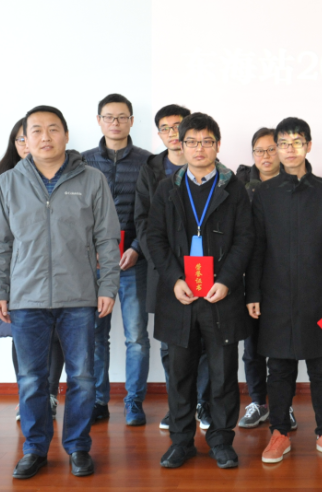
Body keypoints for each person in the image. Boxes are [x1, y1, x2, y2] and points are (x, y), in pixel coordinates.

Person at [0, 105, 120, 479]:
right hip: (26, 297)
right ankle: (35, 449)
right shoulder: (9, 182)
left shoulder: (91, 179)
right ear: (25, 139)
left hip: (79, 296)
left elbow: (107, 239)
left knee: (82, 378)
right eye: (36, 130)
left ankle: (78, 447)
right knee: (32, 379)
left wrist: (108, 286)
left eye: (53, 129)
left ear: (66, 134)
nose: (45, 137)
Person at [146, 112, 253, 469]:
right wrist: (174, 279)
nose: (199, 148)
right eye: (191, 141)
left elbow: (245, 240)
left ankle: (221, 440)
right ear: (181, 144)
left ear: (217, 145)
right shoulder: (167, 188)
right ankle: (181, 442)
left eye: (207, 141)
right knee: (179, 374)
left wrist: (226, 281)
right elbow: (155, 238)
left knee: (223, 374)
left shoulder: (233, 188)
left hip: (220, 296)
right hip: (179, 295)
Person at [247, 117, 322, 463]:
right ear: (276, 148)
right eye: (283, 143)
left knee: (321, 367)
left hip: (317, 293)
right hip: (274, 293)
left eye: (297, 142)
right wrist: (253, 293)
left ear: (308, 145)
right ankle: (279, 433)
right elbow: (257, 248)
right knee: (278, 367)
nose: (289, 149)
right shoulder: (263, 193)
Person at [136, 104, 214, 431]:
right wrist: (165, 265)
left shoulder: (215, 170)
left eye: (177, 126)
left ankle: (203, 404)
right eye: (165, 128)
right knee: (171, 345)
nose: (172, 133)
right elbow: (144, 223)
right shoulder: (151, 170)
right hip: (167, 273)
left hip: (207, 272)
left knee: (206, 344)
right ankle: (178, 405)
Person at [0, 119, 65, 422]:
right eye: (21, 139)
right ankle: (27, 396)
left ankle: (49, 395)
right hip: (18, 273)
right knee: (21, 337)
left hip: (59, 274)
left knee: (55, 336)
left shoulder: (65, 178)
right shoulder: (1, 182)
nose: (27, 143)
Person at [83, 93, 153, 426]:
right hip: (93, 264)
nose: (115, 122)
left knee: (136, 337)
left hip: (133, 263)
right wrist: (91, 249)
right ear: (99, 121)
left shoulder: (148, 162)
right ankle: (99, 400)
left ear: (131, 121)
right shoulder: (81, 161)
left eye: (122, 117)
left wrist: (137, 247)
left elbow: (153, 214)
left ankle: (134, 402)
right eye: (109, 117)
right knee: (96, 336)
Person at [234, 127, 291, 429]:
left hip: (285, 278)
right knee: (252, 346)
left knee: (284, 346)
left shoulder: (295, 184)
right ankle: (258, 402)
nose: (266, 156)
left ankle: (284, 405)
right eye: (259, 150)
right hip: (249, 277)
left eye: (272, 149)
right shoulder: (240, 186)